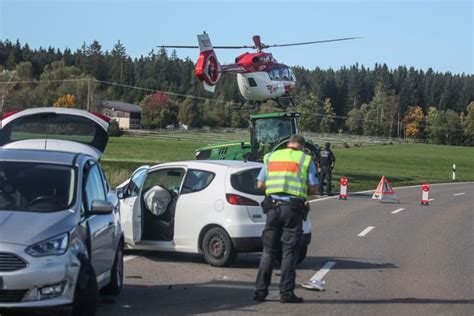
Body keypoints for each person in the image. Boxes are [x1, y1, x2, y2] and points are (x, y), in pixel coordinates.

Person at [254, 134, 319, 304]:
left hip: (272, 209)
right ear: (302, 146)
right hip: (292, 210)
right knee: (289, 252)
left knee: (268, 251)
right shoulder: (306, 159)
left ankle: (260, 292)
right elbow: (313, 188)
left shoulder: (271, 157)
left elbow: (260, 184)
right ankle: (286, 293)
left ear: (288, 143)